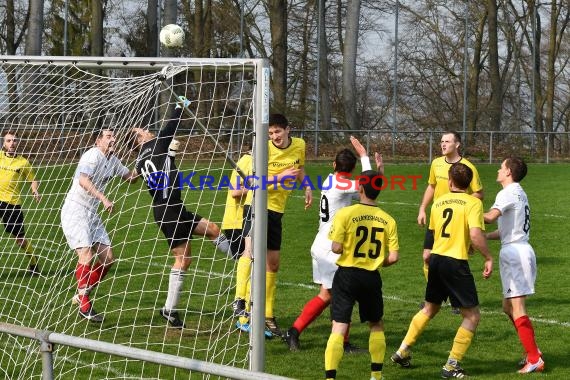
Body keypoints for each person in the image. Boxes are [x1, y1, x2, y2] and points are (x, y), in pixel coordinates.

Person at [130, 97, 231, 329]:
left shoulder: (142, 158)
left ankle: (243, 259)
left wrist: (170, 158)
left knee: (213, 229)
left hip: (174, 208)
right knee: (183, 259)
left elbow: (141, 177)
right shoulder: (154, 146)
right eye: (142, 131)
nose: (147, 130)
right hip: (168, 211)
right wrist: (179, 106)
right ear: (138, 140)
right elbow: (170, 127)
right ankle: (169, 309)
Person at [390, 162, 493, 379]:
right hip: (455, 263)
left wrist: (428, 254)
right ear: (469, 182)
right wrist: (488, 256)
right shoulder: (473, 203)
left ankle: (402, 350)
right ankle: (452, 365)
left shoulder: (439, 202)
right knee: (472, 315)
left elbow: (434, 233)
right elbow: (475, 234)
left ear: (451, 181)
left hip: (436, 259)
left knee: (429, 308)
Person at [283, 136, 383, 352]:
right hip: (332, 248)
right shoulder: (344, 184)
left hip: (320, 243)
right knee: (342, 295)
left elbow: (367, 188)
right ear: (353, 168)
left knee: (327, 295)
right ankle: (341, 342)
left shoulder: (330, 179)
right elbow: (370, 185)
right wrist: (365, 157)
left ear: (334, 165)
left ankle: (294, 331)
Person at [235, 113, 313, 337]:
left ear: (288, 129)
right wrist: (280, 178)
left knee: (273, 264)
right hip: (256, 205)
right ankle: (241, 307)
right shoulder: (263, 148)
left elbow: (299, 169)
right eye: (270, 133)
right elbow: (251, 183)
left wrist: (306, 186)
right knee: (249, 253)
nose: (274, 136)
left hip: (277, 210)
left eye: (278, 131)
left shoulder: (299, 144)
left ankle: (267, 315)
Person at [324, 170, 399, 380]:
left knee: (339, 326)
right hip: (371, 277)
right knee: (376, 324)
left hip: (346, 275)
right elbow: (394, 257)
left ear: (360, 189)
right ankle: (376, 375)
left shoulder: (345, 214)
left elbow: (336, 247)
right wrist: (374, 260)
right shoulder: (388, 220)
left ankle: (330, 378)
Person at [61, 128, 138, 322]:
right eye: (108, 136)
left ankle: (81, 294)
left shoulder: (112, 160)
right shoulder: (92, 155)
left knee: (108, 258)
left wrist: (147, 160)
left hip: (92, 214)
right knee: (86, 255)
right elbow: (83, 180)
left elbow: (131, 178)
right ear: (98, 141)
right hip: (75, 210)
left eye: (114, 136)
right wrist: (104, 198)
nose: (113, 139)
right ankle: (84, 303)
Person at [483, 157, 544, 374]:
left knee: (517, 308)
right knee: (507, 307)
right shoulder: (518, 192)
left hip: (516, 253)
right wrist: (483, 237)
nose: (498, 170)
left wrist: (464, 211)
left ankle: (534, 358)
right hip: (515, 249)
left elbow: (489, 217)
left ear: (508, 172)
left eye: (501, 167)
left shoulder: (507, 192)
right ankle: (533, 352)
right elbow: (502, 230)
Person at [418, 131, 483, 313]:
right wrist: (423, 208)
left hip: (456, 221)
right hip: (437, 219)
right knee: (426, 257)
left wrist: (464, 205)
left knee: (454, 259)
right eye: (442, 141)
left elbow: (479, 193)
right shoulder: (436, 164)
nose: (443, 144)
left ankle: (457, 298)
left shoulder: (467, 166)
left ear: (457, 145)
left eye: (447, 141)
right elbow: (431, 186)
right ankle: (434, 297)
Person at [0, 131, 42, 276]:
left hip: (12, 204)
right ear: (4, 143)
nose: (12, 143)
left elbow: (33, 180)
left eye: (14, 141)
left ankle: (34, 263)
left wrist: (35, 190)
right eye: (9, 141)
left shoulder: (23, 162)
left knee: (20, 240)